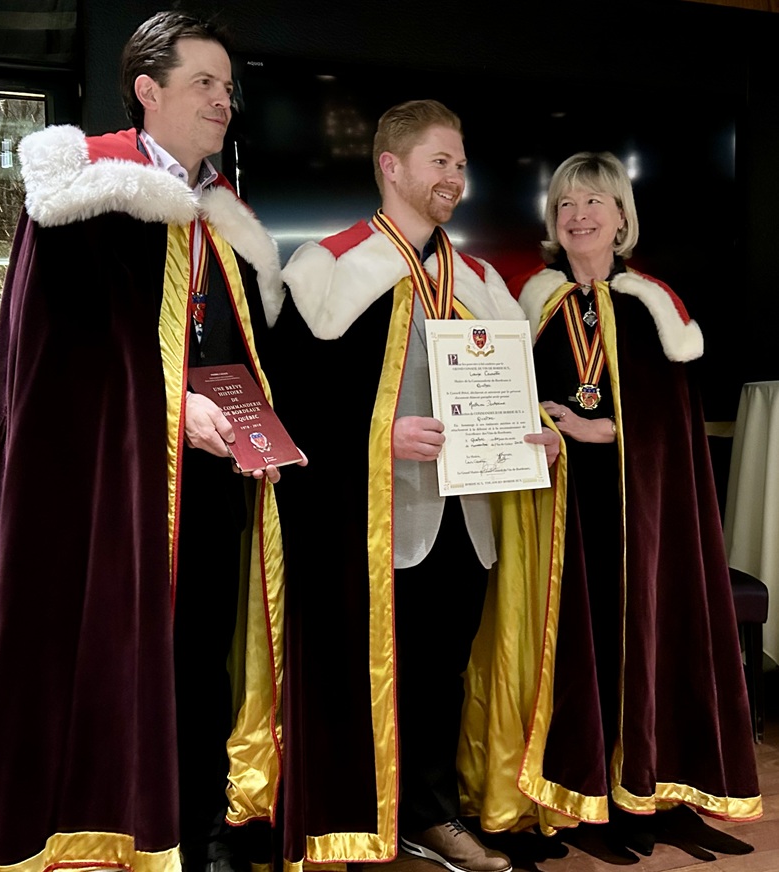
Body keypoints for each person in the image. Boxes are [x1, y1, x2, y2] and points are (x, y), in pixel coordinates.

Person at [0, 12, 290, 872]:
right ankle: (112, 829)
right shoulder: (87, 189)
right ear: (147, 90)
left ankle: (197, 829)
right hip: (110, 494)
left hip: (213, 486)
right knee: (116, 661)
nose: (224, 101)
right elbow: (57, 366)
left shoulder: (225, 220)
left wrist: (253, 425)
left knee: (202, 661)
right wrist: (170, 409)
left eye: (228, 87)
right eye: (204, 83)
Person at [268, 100, 562, 872]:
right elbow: (289, 404)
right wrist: (381, 437)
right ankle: (352, 813)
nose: (456, 176)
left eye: (461, 163)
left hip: (468, 514)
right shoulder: (329, 268)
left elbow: (514, 391)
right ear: (391, 167)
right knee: (357, 668)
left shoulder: (481, 280)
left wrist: (535, 434)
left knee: (443, 672)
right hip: (371, 517)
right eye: (440, 161)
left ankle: (430, 815)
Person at [511, 151, 761, 845]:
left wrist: (608, 430)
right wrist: (542, 426)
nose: (578, 216)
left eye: (594, 201)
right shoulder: (531, 305)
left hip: (641, 507)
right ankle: (585, 793)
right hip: (560, 507)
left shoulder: (655, 306)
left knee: (647, 633)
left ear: (622, 217)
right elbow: (505, 394)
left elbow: (673, 425)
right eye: (565, 204)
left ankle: (651, 790)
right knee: (577, 644)